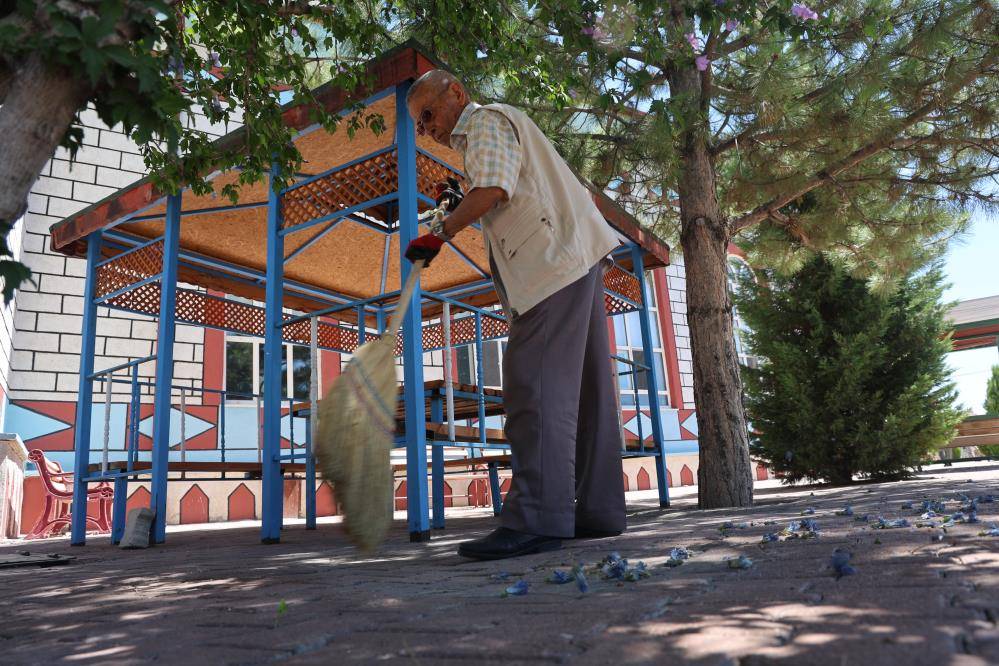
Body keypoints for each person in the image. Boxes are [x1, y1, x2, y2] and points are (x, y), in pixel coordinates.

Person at [404, 70, 626, 560]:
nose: (427, 130)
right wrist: (456, 204)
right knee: (588, 393)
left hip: (551, 265)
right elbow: (493, 188)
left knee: (533, 386)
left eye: (426, 115)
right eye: (419, 125)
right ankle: (598, 510)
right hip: (578, 257)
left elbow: (494, 191)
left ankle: (536, 518)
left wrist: (436, 234)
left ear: (456, 92)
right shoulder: (500, 127)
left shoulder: (482, 123)